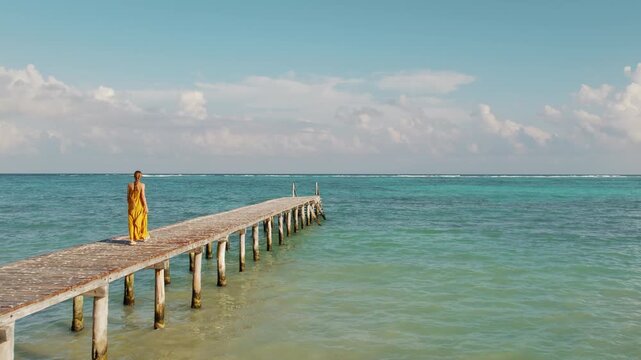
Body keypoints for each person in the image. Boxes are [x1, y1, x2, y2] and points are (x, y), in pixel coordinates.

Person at [127, 170, 149, 245]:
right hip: (139, 206)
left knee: (131, 223)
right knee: (142, 221)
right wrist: (146, 206)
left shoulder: (129, 185)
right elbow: (143, 197)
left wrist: (130, 205)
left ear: (134, 176)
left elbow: (128, 197)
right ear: (141, 177)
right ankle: (143, 236)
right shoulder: (142, 185)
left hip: (131, 207)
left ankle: (132, 239)